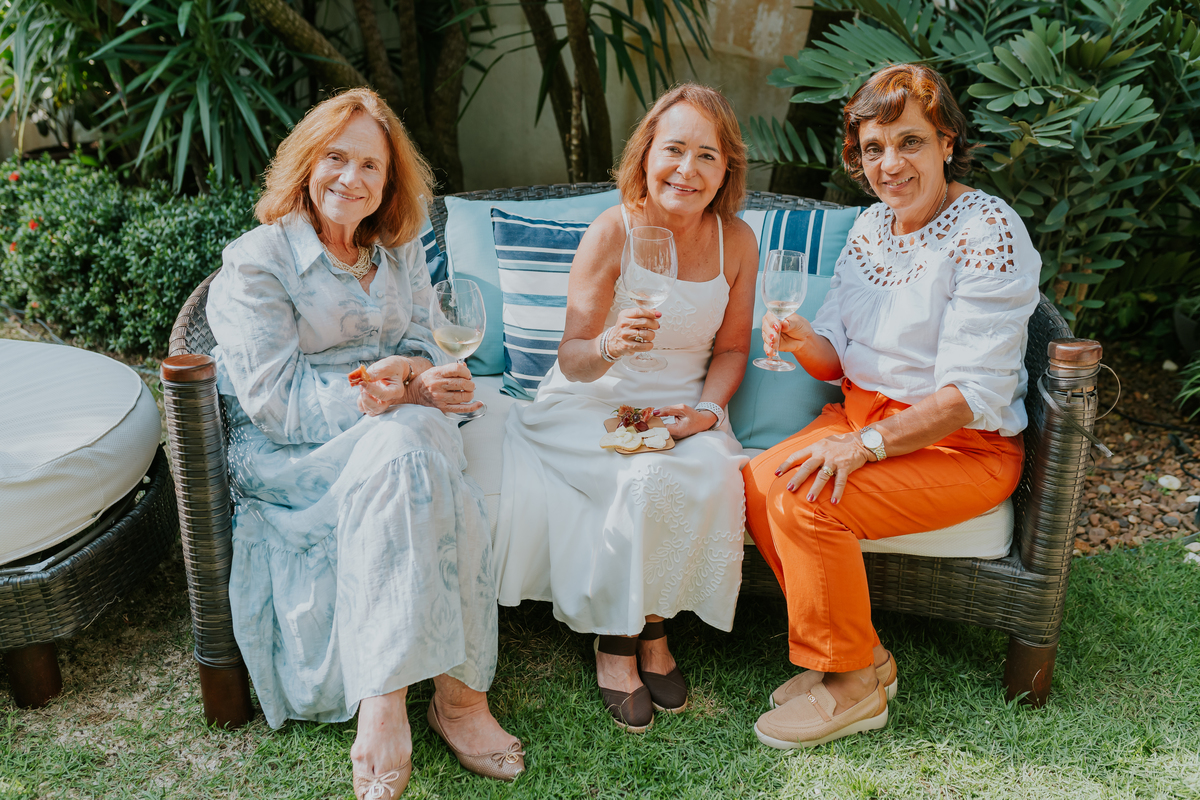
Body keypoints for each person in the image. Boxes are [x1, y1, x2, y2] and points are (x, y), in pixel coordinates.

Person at [207, 89, 523, 799]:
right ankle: (440, 701)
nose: (351, 178)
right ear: (305, 163)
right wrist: (386, 396)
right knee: (409, 444)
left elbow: (425, 338)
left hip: (399, 430)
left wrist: (420, 375)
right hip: (294, 454)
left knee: (410, 440)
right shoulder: (258, 263)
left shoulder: (397, 248)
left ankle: (397, 705)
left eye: (370, 166)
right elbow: (276, 405)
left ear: (389, 181)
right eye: (335, 157)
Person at [743, 64, 1040, 749]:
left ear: (946, 142)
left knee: (809, 500)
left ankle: (854, 690)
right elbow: (837, 358)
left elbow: (969, 397)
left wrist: (863, 447)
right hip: (862, 415)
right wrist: (803, 340)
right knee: (757, 482)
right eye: (873, 148)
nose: (890, 164)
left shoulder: (987, 229)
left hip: (959, 446)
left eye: (909, 142)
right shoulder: (870, 227)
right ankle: (866, 657)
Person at [493, 83, 759, 732]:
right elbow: (572, 358)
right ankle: (625, 638)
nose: (687, 170)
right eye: (674, 150)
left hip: (682, 409)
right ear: (646, 155)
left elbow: (732, 350)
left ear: (726, 169)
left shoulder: (738, 242)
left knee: (707, 470)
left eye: (707, 155)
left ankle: (649, 625)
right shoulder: (612, 230)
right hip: (595, 402)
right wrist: (612, 343)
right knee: (642, 473)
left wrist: (706, 413)